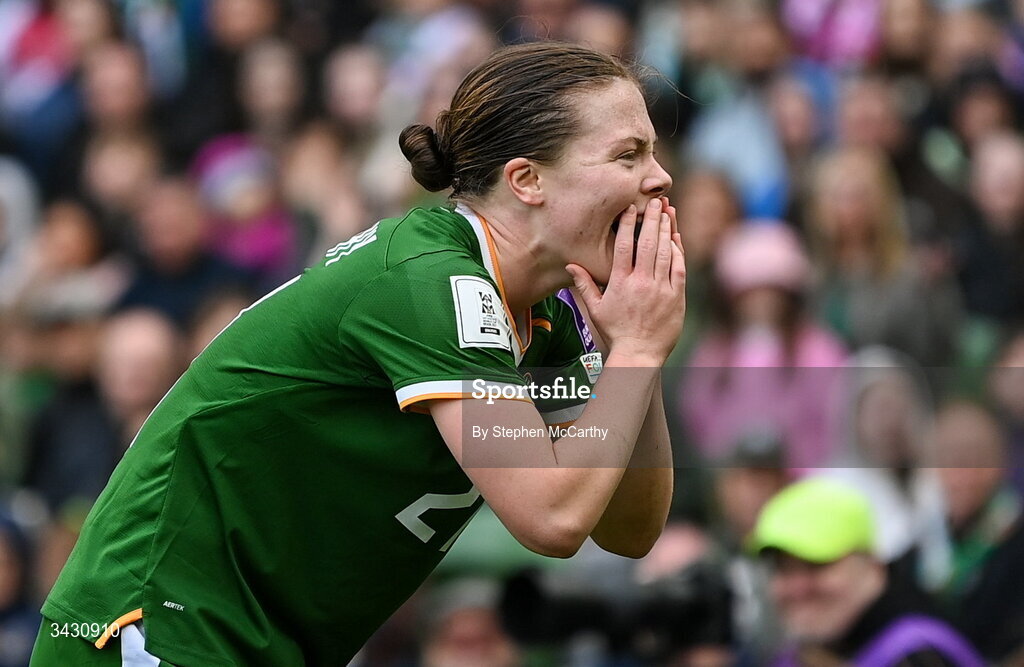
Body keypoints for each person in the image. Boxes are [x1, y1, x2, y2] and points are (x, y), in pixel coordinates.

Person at [30, 42, 683, 666]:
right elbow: (552, 515)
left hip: (243, 638)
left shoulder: (542, 319)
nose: (661, 177)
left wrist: (636, 353)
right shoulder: (434, 282)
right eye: (629, 154)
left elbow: (627, 529)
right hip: (156, 622)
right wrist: (636, 348)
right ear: (527, 179)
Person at [751, 478, 984, 667]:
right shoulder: (801, 654)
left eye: (817, 565)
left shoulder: (920, 654)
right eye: (782, 569)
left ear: (873, 565)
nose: (798, 588)